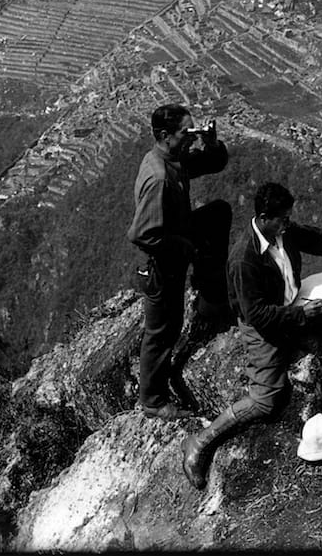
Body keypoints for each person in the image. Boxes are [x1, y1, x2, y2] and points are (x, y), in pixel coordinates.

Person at [180, 182, 322, 489]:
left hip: (294, 303)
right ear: (264, 217)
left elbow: (321, 240)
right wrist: (300, 315)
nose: (287, 224)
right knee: (265, 398)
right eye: (282, 218)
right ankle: (200, 441)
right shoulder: (244, 258)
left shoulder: (282, 232)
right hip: (267, 324)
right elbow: (256, 315)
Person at [127, 104, 231, 420]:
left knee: (217, 214)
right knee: (163, 329)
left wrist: (210, 143)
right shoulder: (159, 176)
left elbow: (214, 164)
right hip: (160, 260)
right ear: (164, 135)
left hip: (176, 235)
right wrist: (187, 247)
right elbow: (142, 234)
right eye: (185, 132)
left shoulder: (172, 159)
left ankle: (211, 300)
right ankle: (153, 401)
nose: (191, 136)